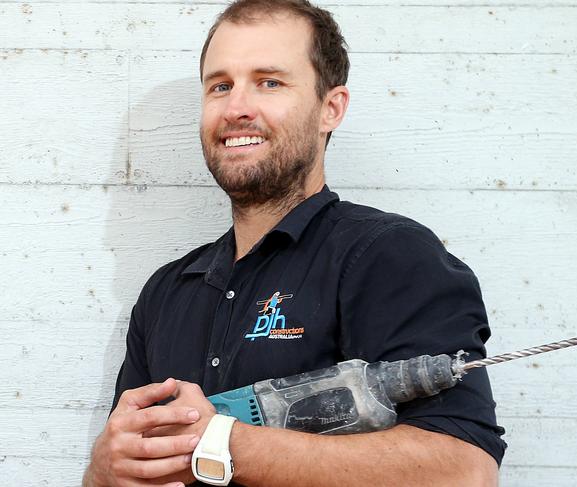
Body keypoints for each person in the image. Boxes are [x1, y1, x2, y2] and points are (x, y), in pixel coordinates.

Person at [83, 1, 506, 485]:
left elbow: (462, 470)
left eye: (270, 82)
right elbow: (128, 465)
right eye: (220, 86)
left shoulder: (390, 256)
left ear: (331, 108)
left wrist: (222, 442)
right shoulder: (166, 292)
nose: (237, 107)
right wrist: (102, 470)